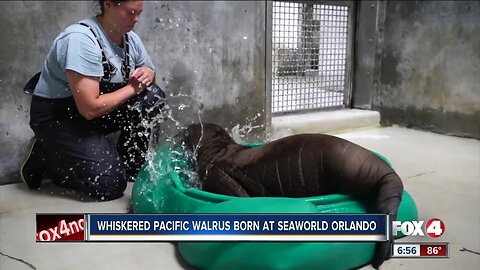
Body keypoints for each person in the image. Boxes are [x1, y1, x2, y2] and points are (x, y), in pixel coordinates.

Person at [20, 0, 165, 200]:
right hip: (61, 117)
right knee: (109, 185)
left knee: (153, 97)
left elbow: (149, 74)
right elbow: (89, 108)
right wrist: (133, 88)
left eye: (139, 13)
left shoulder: (130, 40)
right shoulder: (81, 40)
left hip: (93, 111)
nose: (136, 19)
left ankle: (129, 167)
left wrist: (149, 73)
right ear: (108, 5)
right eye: (131, 12)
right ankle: (46, 155)